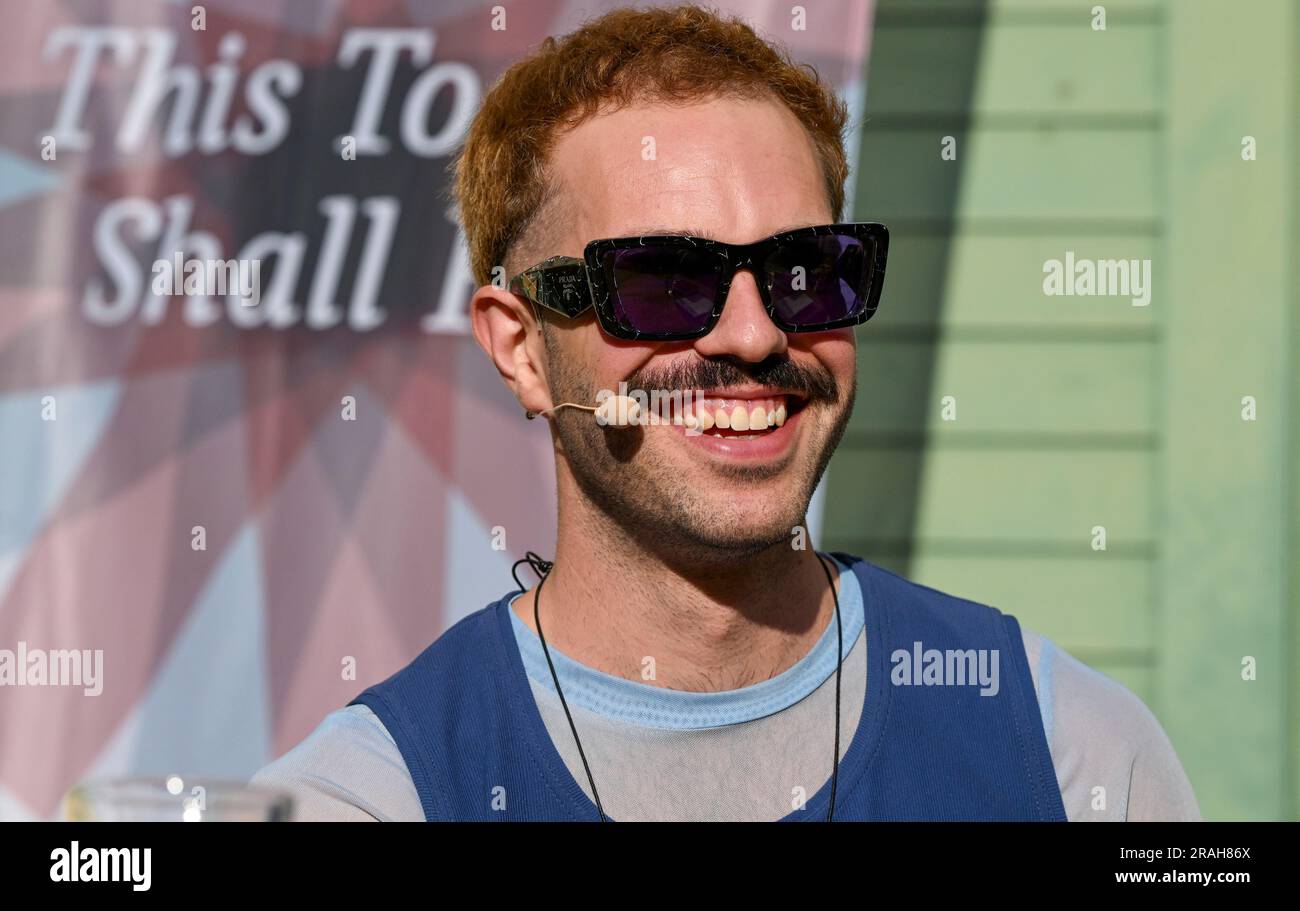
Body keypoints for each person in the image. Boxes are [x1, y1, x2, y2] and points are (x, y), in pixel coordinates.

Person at [251, 4, 1199, 822]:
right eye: (663, 280)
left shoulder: (1067, 753)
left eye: (804, 272)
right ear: (521, 349)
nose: (752, 334)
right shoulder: (375, 795)